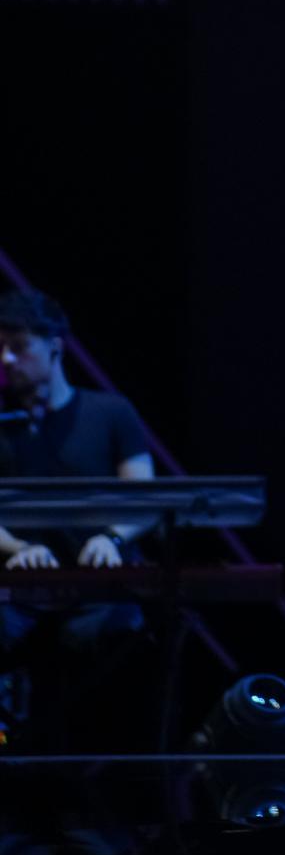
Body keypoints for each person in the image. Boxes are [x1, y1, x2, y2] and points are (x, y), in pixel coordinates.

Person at [0, 289, 154, 724]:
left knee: (117, 638)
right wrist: (16, 548)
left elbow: (145, 501)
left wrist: (112, 538)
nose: (5, 360)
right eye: (0, 349)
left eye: (18, 347)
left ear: (55, 347)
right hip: (21, 594)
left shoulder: (111, 413)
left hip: (101, 591)